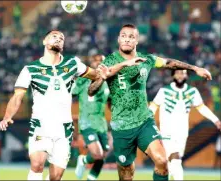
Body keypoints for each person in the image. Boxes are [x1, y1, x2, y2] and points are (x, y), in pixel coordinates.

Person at [88, 24, 213, 181]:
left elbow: (169, 63)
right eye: (124, 36)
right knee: (126, 172)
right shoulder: (109, 62)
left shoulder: (146, 60)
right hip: (121, 126)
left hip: (144, 121)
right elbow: (91, 90)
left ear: (137, 41)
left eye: (131, 36)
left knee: (162, 161)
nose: (127, 39)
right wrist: (104, 77)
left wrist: (195, 68)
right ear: (119, 39)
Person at [0, 30, 108, 181]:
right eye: (54, 36)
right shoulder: (30, 69)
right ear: (44, 41)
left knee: (56, 176)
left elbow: (96, 76)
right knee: (37, 164)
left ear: (63, 45)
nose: (58, 39)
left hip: (64, 128)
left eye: (61, 38)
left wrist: (101, 76)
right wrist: (7, 116)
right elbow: (17, 97)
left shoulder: (73, 63)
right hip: (41, 125)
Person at [149, 69, 221, 180]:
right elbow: (153, 107)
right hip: (166, 130)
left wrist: (216, 120)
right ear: (173, 75)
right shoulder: (164, 91)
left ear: (186, 76)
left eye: (183, 73)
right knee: (175, 157)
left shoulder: (192, 91)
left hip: (182, 131)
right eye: (177, 73)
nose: (180, 76)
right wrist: (146, 121)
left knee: (173, 160)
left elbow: (201, 108)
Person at [72, 54, 110, 180]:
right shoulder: (84, 80)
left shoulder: (108, 83)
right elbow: (71, 92)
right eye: (96, 61)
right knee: (97, 154)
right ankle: (83, 160)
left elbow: (111, 103)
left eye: (102, 61)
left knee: (102, 157)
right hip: (87, 121)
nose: (99, 63)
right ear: (91, 63)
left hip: (101, 124)